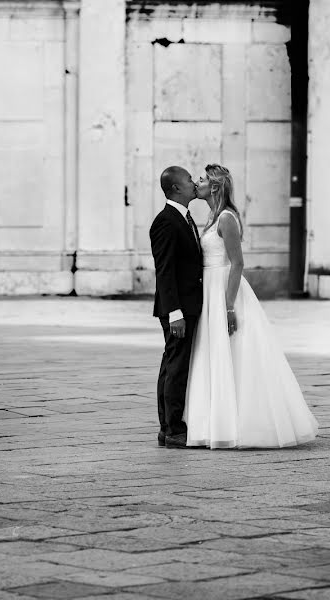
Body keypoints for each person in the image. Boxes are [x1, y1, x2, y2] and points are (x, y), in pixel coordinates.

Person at [184, 164, 318, 448]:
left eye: (202, 179)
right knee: (214, 355)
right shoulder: (210, 216)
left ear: (215, 187)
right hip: (209, 288)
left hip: (224, 290)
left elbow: (238, 263)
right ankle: (215, 422)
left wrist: (229, 306)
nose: (197, 182)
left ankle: (239, 424)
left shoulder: (226, 218)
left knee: (232, 353)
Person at [150, 166, 204, 449]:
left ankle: (167, 427)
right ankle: (172, 429)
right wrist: (175, 314)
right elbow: (165, 272)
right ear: (176, 189)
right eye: (189, 180)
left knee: (172, 365)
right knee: (176, 368)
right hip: (178, 310)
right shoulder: (166, 221)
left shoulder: (184, 217)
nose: (194, 183)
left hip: (187, 306)